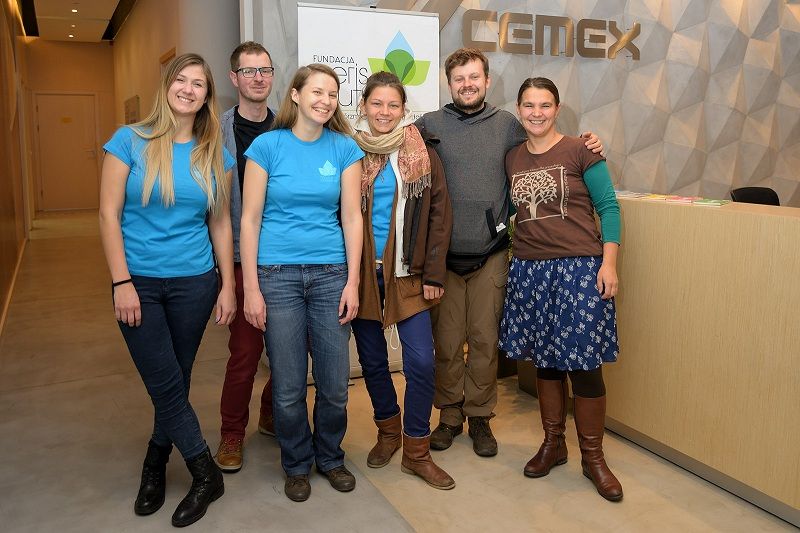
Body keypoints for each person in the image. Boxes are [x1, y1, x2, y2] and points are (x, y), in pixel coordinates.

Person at [415, 48, 603, 457]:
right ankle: (450, 415)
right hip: (444, 258)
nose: (467, 84)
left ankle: (480, 416)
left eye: (474, 77)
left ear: (487, 81)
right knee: (447, 342)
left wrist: (588, 142)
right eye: (459, 78)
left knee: (485, 341)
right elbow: (398, 149)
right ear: (449, 83)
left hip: (492, 253)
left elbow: (545, 143)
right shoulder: (428, 125)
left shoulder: (507, 126)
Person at [98, 53, 235, 526]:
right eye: (181, 79)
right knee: (163, 380)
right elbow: (108, 215)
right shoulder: (129, 141)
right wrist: (121, 281)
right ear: (167, 85)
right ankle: (205, 471)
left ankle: (154, 464)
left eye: (199, 83)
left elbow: (220, 222)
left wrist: (228, 285)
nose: (188, 89)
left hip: (195, 282)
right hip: (137, 282)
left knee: (175, 378)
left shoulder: (215, 152)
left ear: (207, 95)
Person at [240, 64, 363, 503]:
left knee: (334, 385)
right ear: (295, 95)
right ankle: (296, 463)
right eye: (316, 92)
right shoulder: (266, 146)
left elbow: (351, 218)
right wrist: (251, 288)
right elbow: (250, 219)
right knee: (289, 386)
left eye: (332, 94)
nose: (325, 101)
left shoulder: (345, 148)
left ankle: (329, 457)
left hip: (331, 275)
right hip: (277, 276)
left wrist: (353, 282)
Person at [500, 77, 623, 502]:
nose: (536, 113)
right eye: (529, 105)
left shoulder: (580, 150)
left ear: (557, 108)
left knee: (585, 366)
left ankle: (594, 458)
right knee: (546, 363)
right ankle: (553, 444)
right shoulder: (512, 158)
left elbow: (608, 207)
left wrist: (609, 263)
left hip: (580, 270)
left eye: (545, 105)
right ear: (519, 109)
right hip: (531, 270)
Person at [350, 71, 454, 489]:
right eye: (377, 103)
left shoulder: (422, 152)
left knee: (421, 363)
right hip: (362, 274)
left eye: (393, 104)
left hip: (409, 273)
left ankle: (417, 450)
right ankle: (388, 431)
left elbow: (439, 215)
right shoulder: (349, 149)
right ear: (363, 106)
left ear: (403, 109)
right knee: (373, 362)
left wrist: (434, 273)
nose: (385, 112)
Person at [214, 41, 277, 474]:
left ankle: (272, 411)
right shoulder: (215, 131)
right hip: (239, 256)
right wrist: (225, 278)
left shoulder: (288, 126)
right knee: (245, 353)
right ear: (234, 78)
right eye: (249, 71)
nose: (258, 78)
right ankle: (231, 432)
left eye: (264, 70)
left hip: (286, 256)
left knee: (293, 350)